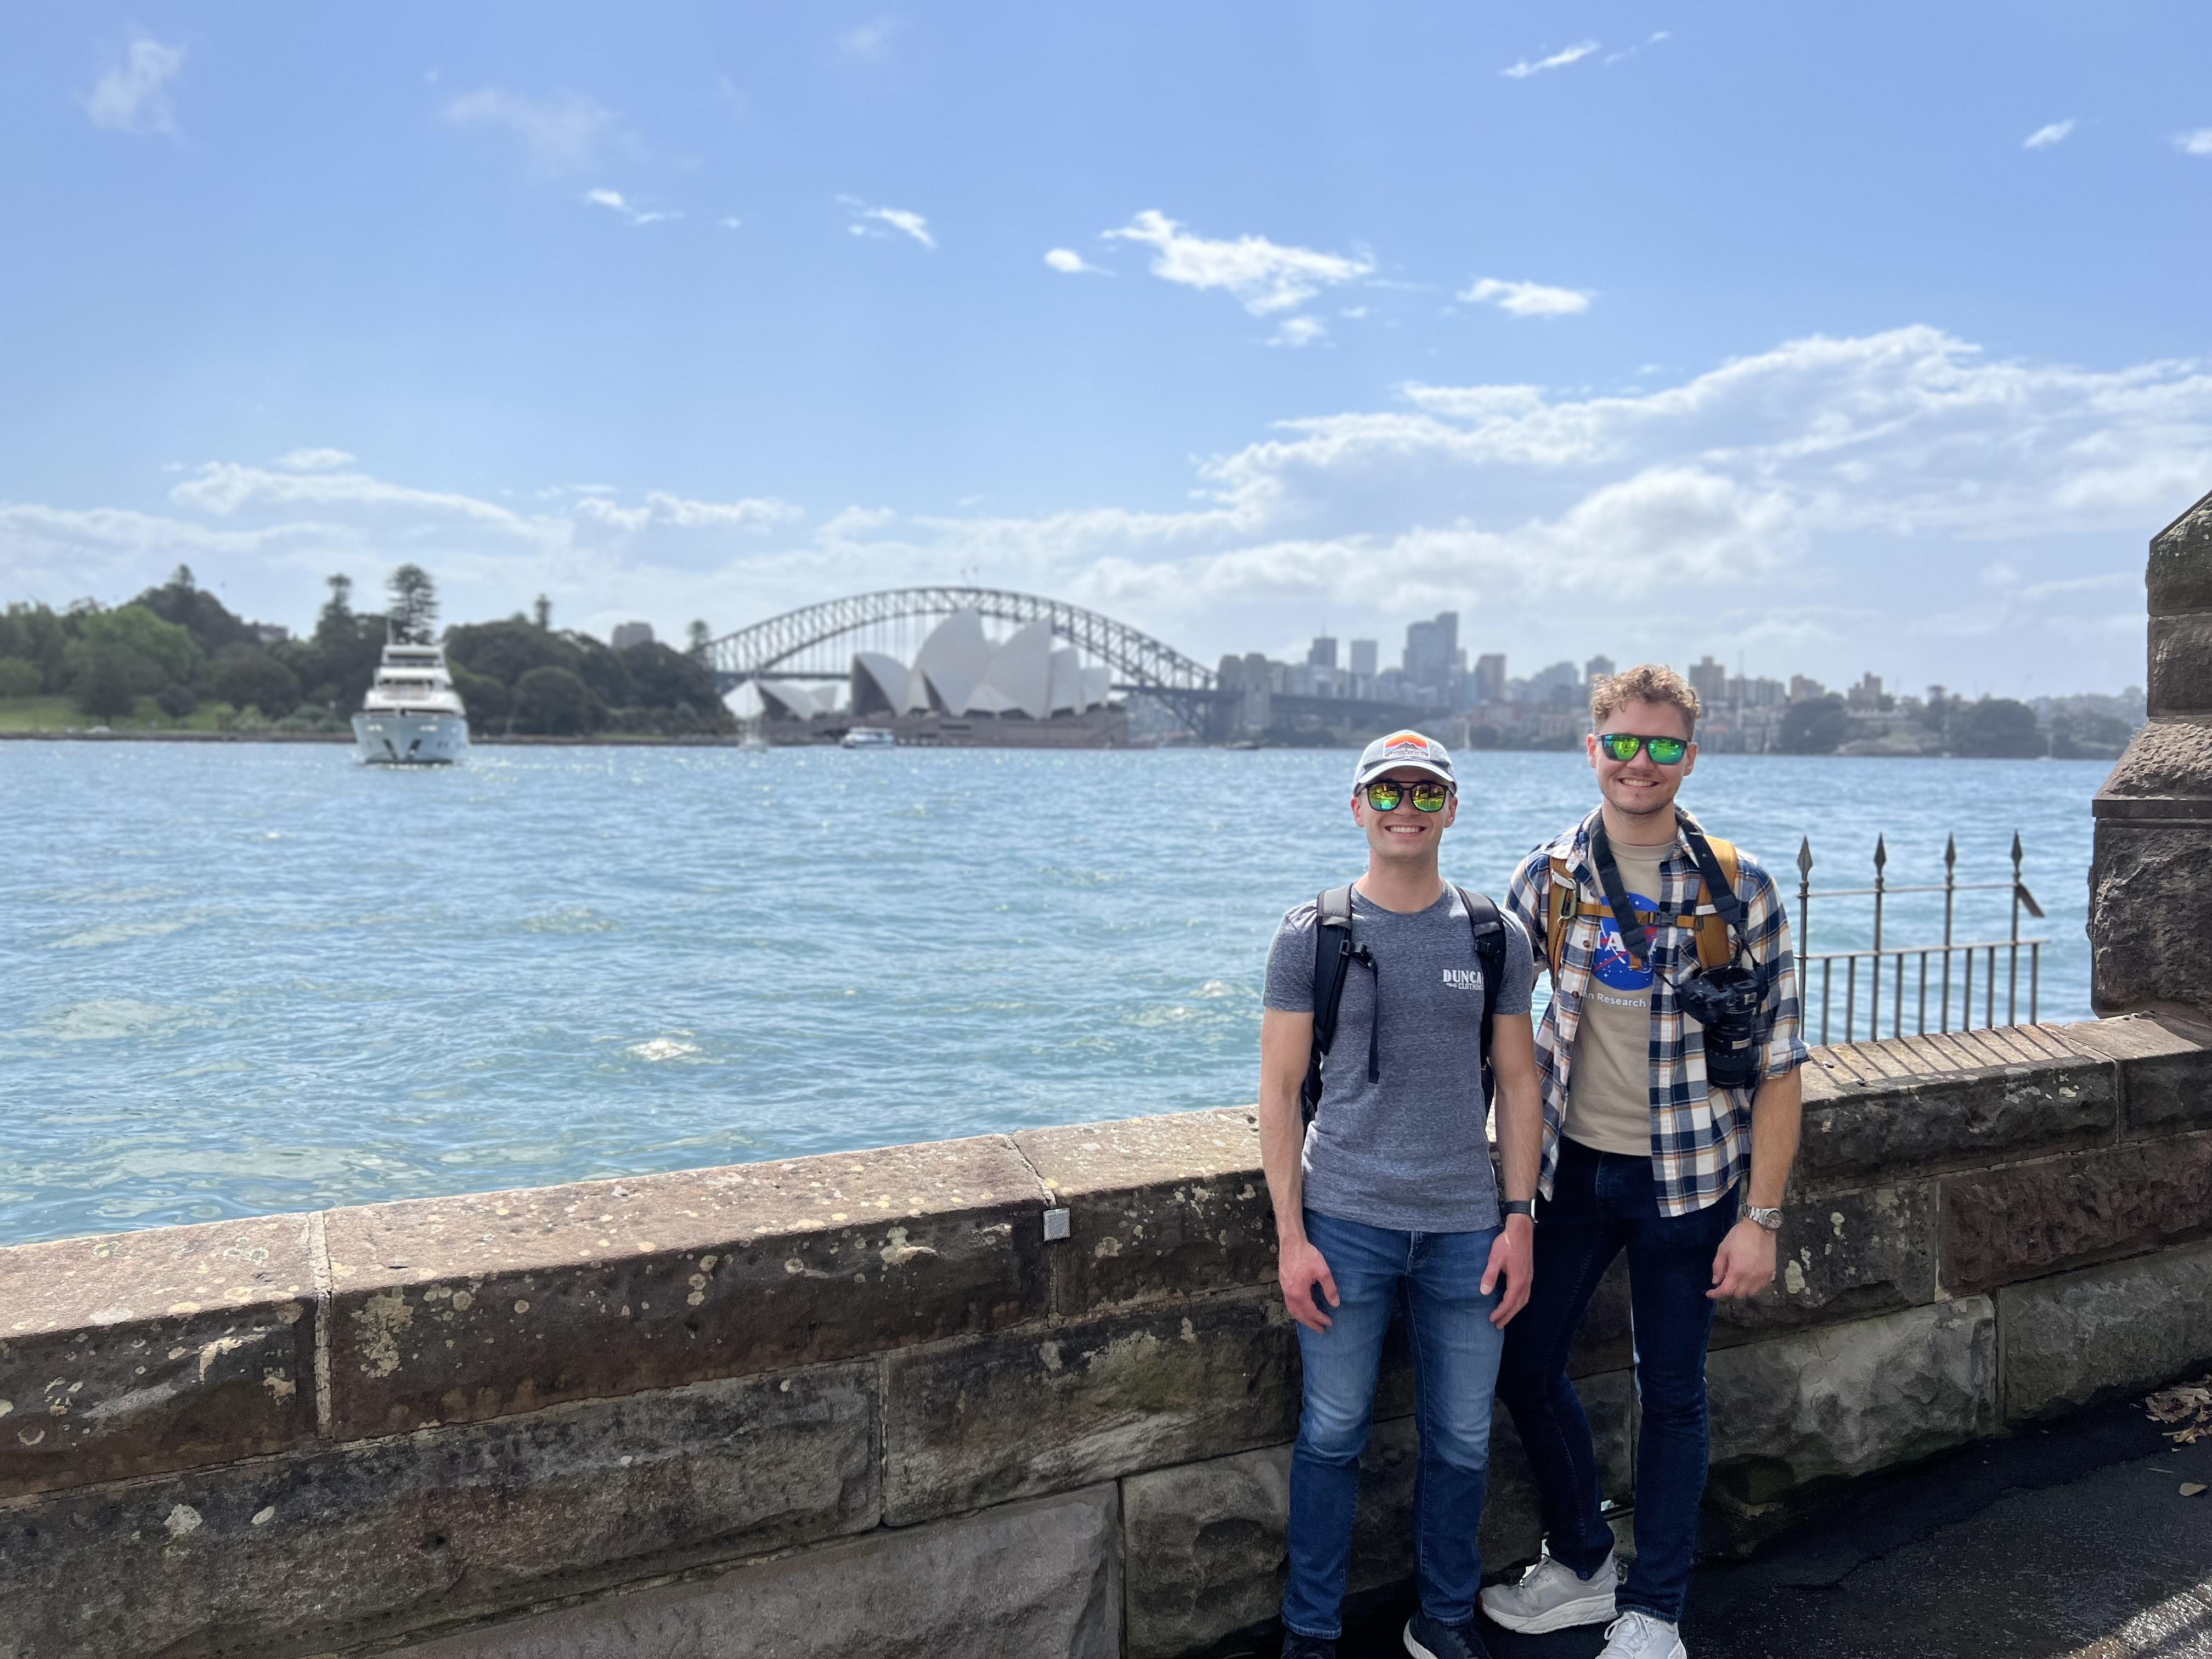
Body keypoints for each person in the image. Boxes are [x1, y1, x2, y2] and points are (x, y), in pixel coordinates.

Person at [1481, 665, 1807, 1659]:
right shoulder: (1546, 878)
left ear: (1691, 757)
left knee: (1672, 1393)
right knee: (1526, 1365)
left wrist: (1762, 1219)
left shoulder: (1741, 886)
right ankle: (1583, 1565)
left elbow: (1783, 1069)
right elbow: (1493, 1036)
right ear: (1592, 748)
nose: (1640, 762)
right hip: (1569, 1173)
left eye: (1663, 745)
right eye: (1623, 741)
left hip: (1693, 1181)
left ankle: (1657, 1611)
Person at [1258, 730, 1545, 1659]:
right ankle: (1311, 1631)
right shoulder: (1316, 933)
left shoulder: (1494, 933)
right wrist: (1290, 1236)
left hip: (1466, 1225)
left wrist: (1519, 1220)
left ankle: (1445, 1620)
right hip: (1344, 1220)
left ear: (1451, 811)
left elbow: (1519, 1081)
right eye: (1389, 794)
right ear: (1359, 809)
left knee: (1462, 1439)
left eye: (1427, 794)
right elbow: (1278, 1088)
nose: (1407, 810)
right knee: (1332, 1434)